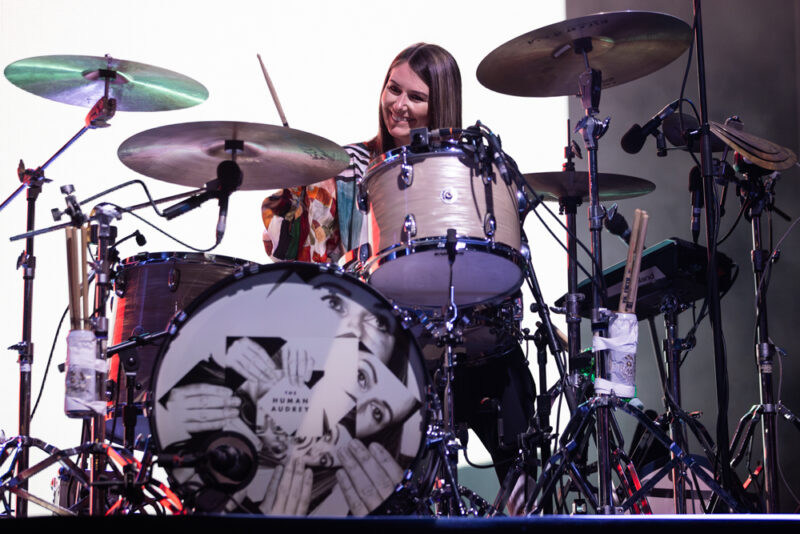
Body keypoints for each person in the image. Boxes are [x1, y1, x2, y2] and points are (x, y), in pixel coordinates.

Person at [261, 42, 537, 516]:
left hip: (470, 342)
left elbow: (505, 260)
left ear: (441, 104)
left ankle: (526, 512)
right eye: (393, 89)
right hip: (383, 349)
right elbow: (288, 248)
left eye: (416, 96)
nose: (399, 105)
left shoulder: (471, 167)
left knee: (514, 387)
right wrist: (291, 181)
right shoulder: (347, 167)